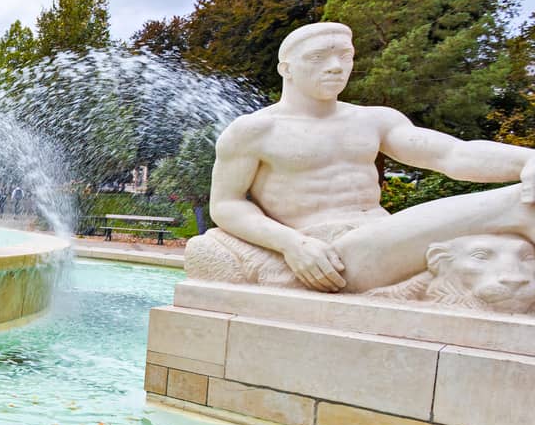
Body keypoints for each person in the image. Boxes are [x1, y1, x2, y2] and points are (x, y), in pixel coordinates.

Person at [194, 21, 535, 293]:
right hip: (334, 256)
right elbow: (226, 205)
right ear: (286, 68)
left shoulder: (374, 119)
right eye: (317, 58)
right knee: (522, 204)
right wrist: (291, 244)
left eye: (345, 56)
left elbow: (452, 154)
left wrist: (526, 161)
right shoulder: (255, 130)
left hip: (383, 237)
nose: (335, 67)